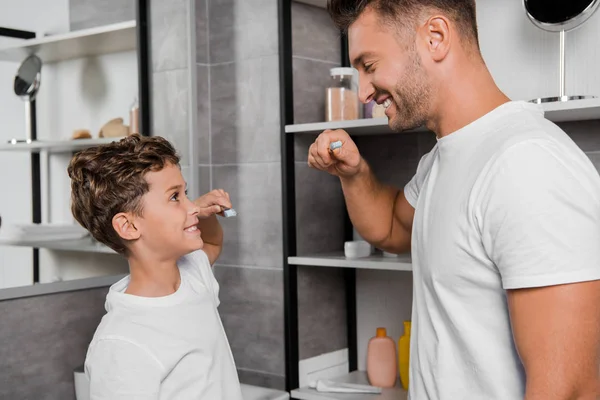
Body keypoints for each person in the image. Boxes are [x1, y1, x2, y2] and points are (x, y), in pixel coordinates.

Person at [309, 1, 600, 398]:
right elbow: (393, 227)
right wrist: (354, 173)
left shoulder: (526, 164)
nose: (362, 91)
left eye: (369, 65)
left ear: (436, 38)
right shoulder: (444, 158)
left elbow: (571, 390)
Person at [68, 134, 243, 399]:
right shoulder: (122, 344)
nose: (191, 207)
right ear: (129, 226)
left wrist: (196, 213)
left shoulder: (193, 276)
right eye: (175, 197)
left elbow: (211, 243)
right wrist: (188, 215)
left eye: (187, 193)